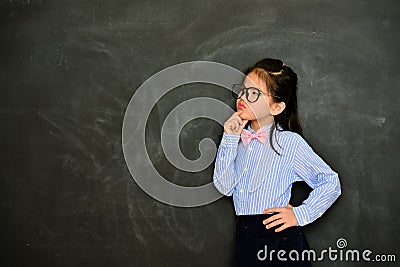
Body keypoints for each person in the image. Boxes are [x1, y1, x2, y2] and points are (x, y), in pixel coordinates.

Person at [213, 58, 341, 266]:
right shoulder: (237, 141)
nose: (243, 97)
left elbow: (330, 181)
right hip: (245, 241)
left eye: (254, 93)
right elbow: (225, 187)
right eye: (243, 90)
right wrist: (229, 138)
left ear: (276, 107)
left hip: (279, 243)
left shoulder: (289, 143)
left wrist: (300, 214)